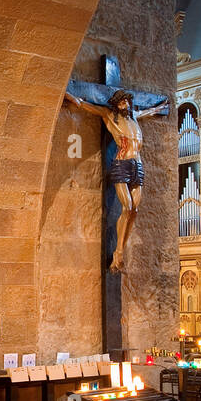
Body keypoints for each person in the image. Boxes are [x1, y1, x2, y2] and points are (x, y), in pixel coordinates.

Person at [64, 89, 168, 273]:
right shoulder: (109, 115)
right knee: (127, 207)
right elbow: (85, 105)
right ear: (116, 105)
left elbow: (149, 112)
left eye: (127, 102)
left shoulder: (134, 116)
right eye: (122, 103)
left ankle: (120, 251)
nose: (126, 105)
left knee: (134, 210)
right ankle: (118, 253)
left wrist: (161, 107)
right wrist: (71, 97)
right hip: (122, 163)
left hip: (138, 165)